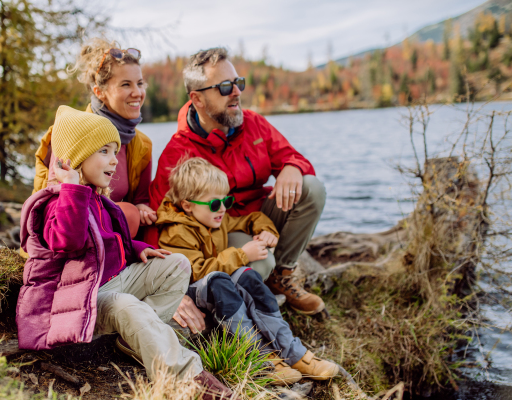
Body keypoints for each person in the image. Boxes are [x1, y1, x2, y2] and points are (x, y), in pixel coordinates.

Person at [17, 106, 234, 399]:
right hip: (81, 300)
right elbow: (68, 242)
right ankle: (186, 379)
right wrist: (70, 190)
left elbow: (107, 243)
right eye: (104, 152)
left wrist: (139, 248)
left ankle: (134, 339)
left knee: (177, 264)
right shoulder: (57, 203)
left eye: (114, 152)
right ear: (77, 158)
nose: (114, 161)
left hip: (106, 284)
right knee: (126, 305)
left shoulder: (96, 198)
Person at [148, 47, 327, 332]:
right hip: (220, 229)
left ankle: (283, 275)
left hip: (261, 217)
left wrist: (292, 166)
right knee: (260, 261)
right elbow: (160, 217)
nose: (236, 92)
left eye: (238, 83)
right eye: (224, 87)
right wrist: (171, 288)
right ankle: (242, 317)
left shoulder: (253, 123)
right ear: (197, 98)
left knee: (311, 188)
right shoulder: (177, 152)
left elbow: (293, 157)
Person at [156, 158, 339, 385]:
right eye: (215, 204)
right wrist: (242, 254)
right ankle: (257, 357)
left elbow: (248, 219)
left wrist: (265, 229)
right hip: (191, 290)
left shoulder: (215, 219)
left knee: (248, 276)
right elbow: (196, 272)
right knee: (220, 281)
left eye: (226, 201)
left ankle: (294, 353)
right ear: (187, 205)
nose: (223, 208)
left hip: (213, 282)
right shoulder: (176, 232)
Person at [32, 38, 157, 238]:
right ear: (100, 92)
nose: (138, 93)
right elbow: (52, 203)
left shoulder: (142, 144)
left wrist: (142, 208)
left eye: (140, 83)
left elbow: (140, 199)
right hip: (69, 233)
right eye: (126, 84)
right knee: (127, 213)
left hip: (114, 235)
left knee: (134, 214)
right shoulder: (73, 131)